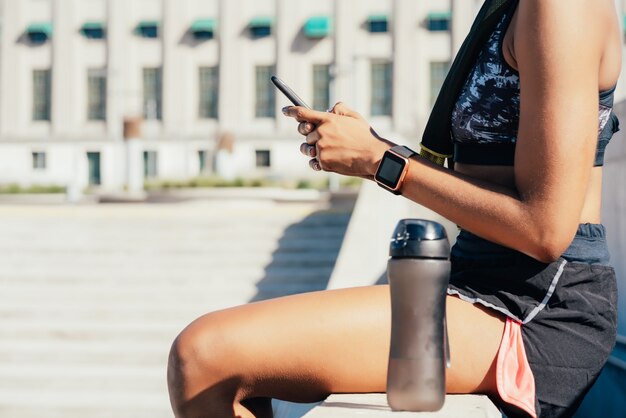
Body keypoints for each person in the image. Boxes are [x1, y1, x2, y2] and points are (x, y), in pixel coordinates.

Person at [167, 1, 620, 417]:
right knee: (212, 358)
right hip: (473, 279)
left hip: (536, 307)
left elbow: (544, 229)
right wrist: (374, 151)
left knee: (205, 356)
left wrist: (379, 161)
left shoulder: (560, 5)